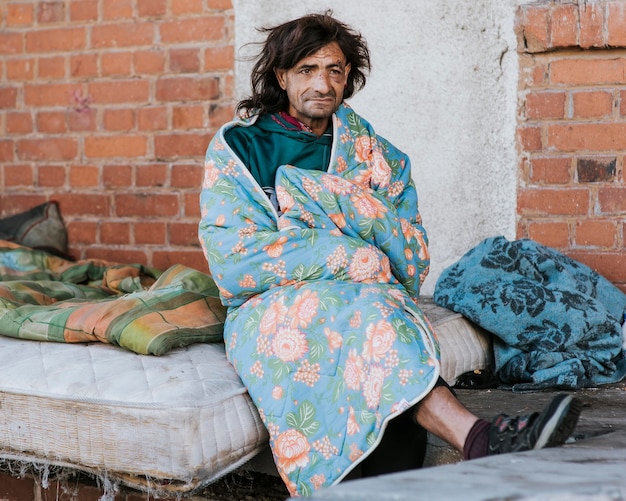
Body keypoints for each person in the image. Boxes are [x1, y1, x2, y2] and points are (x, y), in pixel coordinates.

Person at [198, 12, 582, 497]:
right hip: (272, 306)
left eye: (334, 70)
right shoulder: (239, 148)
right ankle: (480, 437)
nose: (323, 83)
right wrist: (347, 254)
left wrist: (348, 243)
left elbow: (411, 251)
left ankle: (475, 441)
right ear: (281, 76)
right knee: (369, 321)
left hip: (367, 295)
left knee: (378, 315)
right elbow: (235, 260)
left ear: (347, 77)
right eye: (307, 69)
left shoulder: (376, 156)